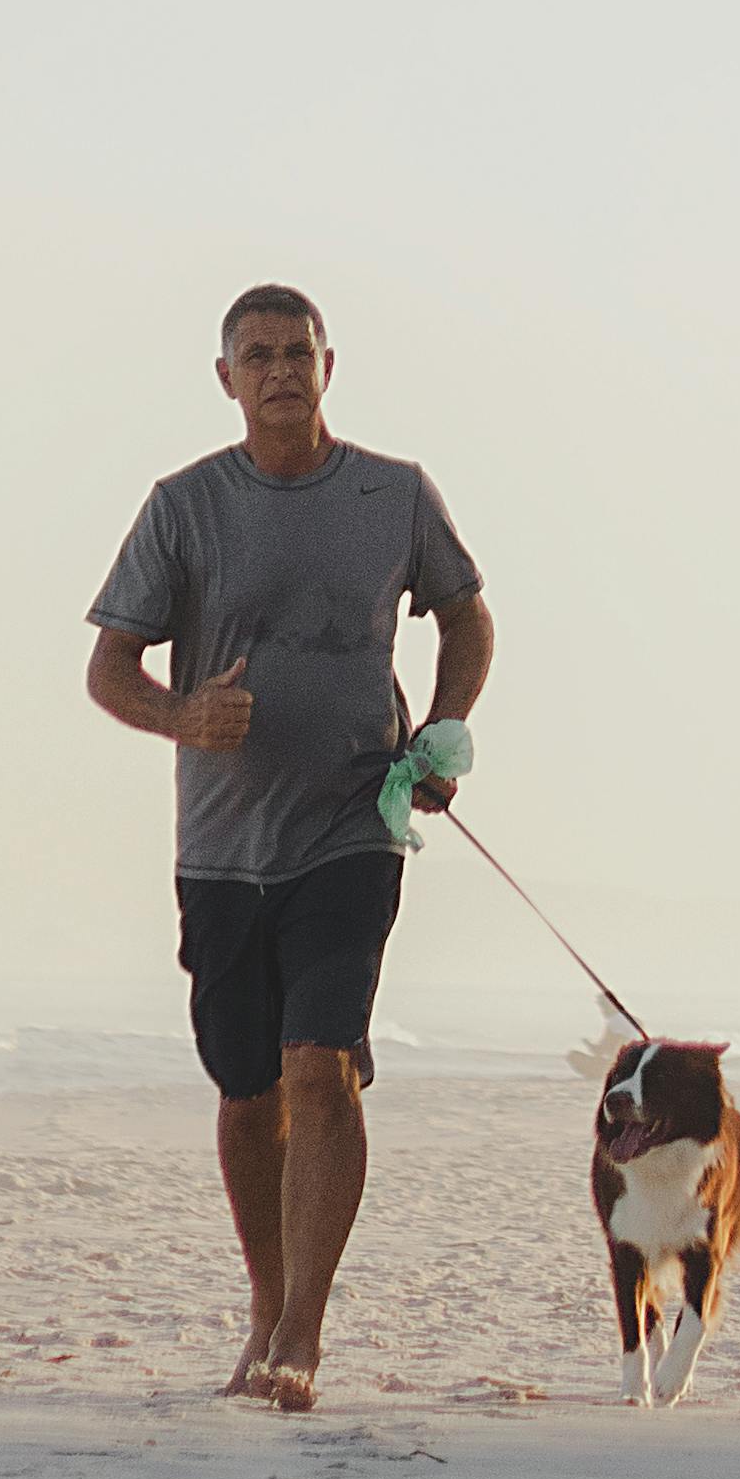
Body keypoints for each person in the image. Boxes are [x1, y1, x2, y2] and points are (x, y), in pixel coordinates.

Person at [85, 286, 494, 1408]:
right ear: (225, 377)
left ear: (328, 365)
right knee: (247, 1089)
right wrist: (179, 716)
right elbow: (108, 668)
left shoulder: (391, 494)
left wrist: (445, 730)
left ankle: (302, 1333)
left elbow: (464, 613)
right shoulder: (184, 507)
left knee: (320, 1068)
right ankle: (266, 1305)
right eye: (255, 356)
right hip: (221, 846)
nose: (278, 371)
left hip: (353, 828)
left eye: (296, 353)